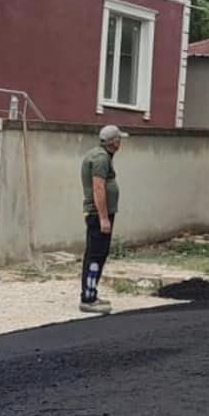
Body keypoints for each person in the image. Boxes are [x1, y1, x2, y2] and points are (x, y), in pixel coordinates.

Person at [80, 124, 123, 313]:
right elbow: (99, 188)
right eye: (119, 140)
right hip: (98, 215)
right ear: (115, 142)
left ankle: (91, 294)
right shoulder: (101, 159)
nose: (121, 143)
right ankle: (88, 298)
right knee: (96, 254)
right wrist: (104, 218)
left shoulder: (100, 155)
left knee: (95, 253)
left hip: (97, 213)